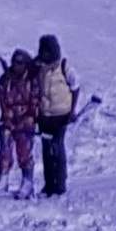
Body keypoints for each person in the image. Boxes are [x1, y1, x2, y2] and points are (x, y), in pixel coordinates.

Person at [35, 34, 79, 197]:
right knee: (47, 149)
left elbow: (75, 87)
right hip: (44, 116)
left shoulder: (64, 66)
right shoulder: (37, 66)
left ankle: (60, 183)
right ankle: (49, 184)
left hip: (61, 116)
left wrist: (73, 110)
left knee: (57, 147)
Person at [0, 49, 40, 198]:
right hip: (10, 119)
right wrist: (7, 117)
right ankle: (3, 178)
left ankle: (27, 181)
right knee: (5, 144)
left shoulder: (32, 80)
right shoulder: (6, 79)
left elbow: (35, 104)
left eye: (20, 63)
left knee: (24, 149)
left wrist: (25, 120)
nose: (16, 66)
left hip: (26, 121)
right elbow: (2, 99)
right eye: (14, 62)